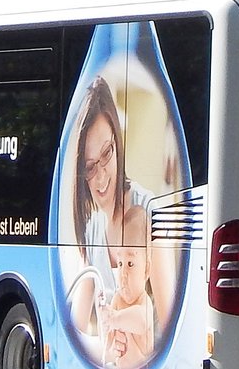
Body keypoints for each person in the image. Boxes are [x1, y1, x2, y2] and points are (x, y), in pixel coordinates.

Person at [68, 76, 174, 354]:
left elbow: (169, 322)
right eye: (90, 167)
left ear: (118, 144)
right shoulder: (92, 229)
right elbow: (76, 325)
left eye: (107, 154)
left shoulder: (150, 212)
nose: (101, 176)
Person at [100, 205, 155, 369]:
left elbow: (140, 321)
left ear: (146, 270)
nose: (122, 274)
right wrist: (106, 323)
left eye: (130, 264)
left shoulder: (144, 302)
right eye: (120, 263)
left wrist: (115, 318)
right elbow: (107, 345)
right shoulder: (117, 299)